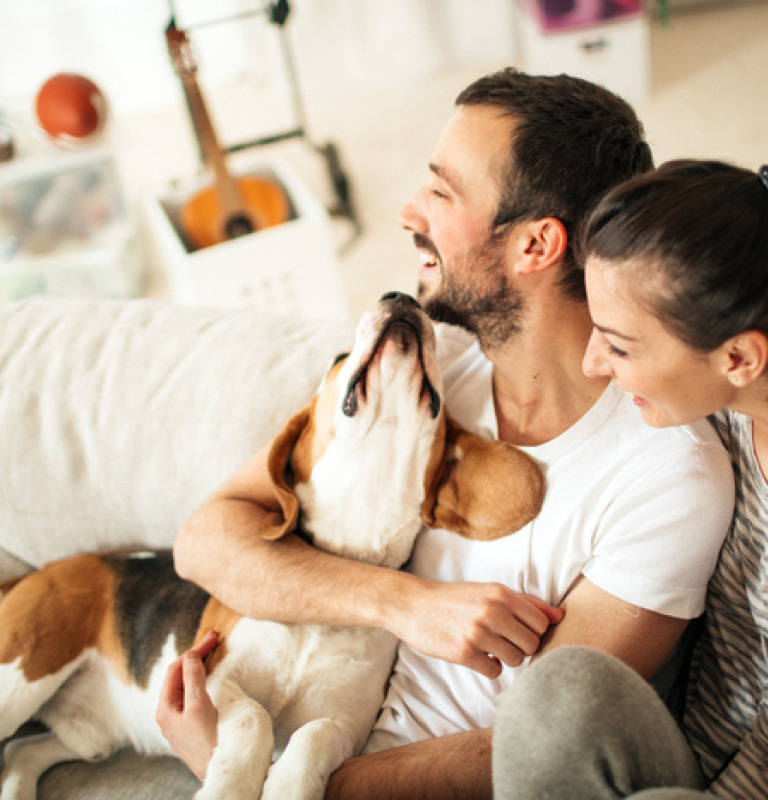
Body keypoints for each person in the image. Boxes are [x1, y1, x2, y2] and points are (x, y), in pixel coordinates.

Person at [156, 69, 735, 799]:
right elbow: (205, 540)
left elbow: (534, 743)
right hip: (296, 730)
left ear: (535, 245)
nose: (407, 210)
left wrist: (262, 778)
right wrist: (404, 603)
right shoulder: (430, 363)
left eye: (442, 191)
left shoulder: (668, 476)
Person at [492, 139, 768, 799]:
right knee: (558, 692)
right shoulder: (729, 406)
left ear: (740, 358)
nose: (593, 363)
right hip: (683, 741)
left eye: (621, 345)